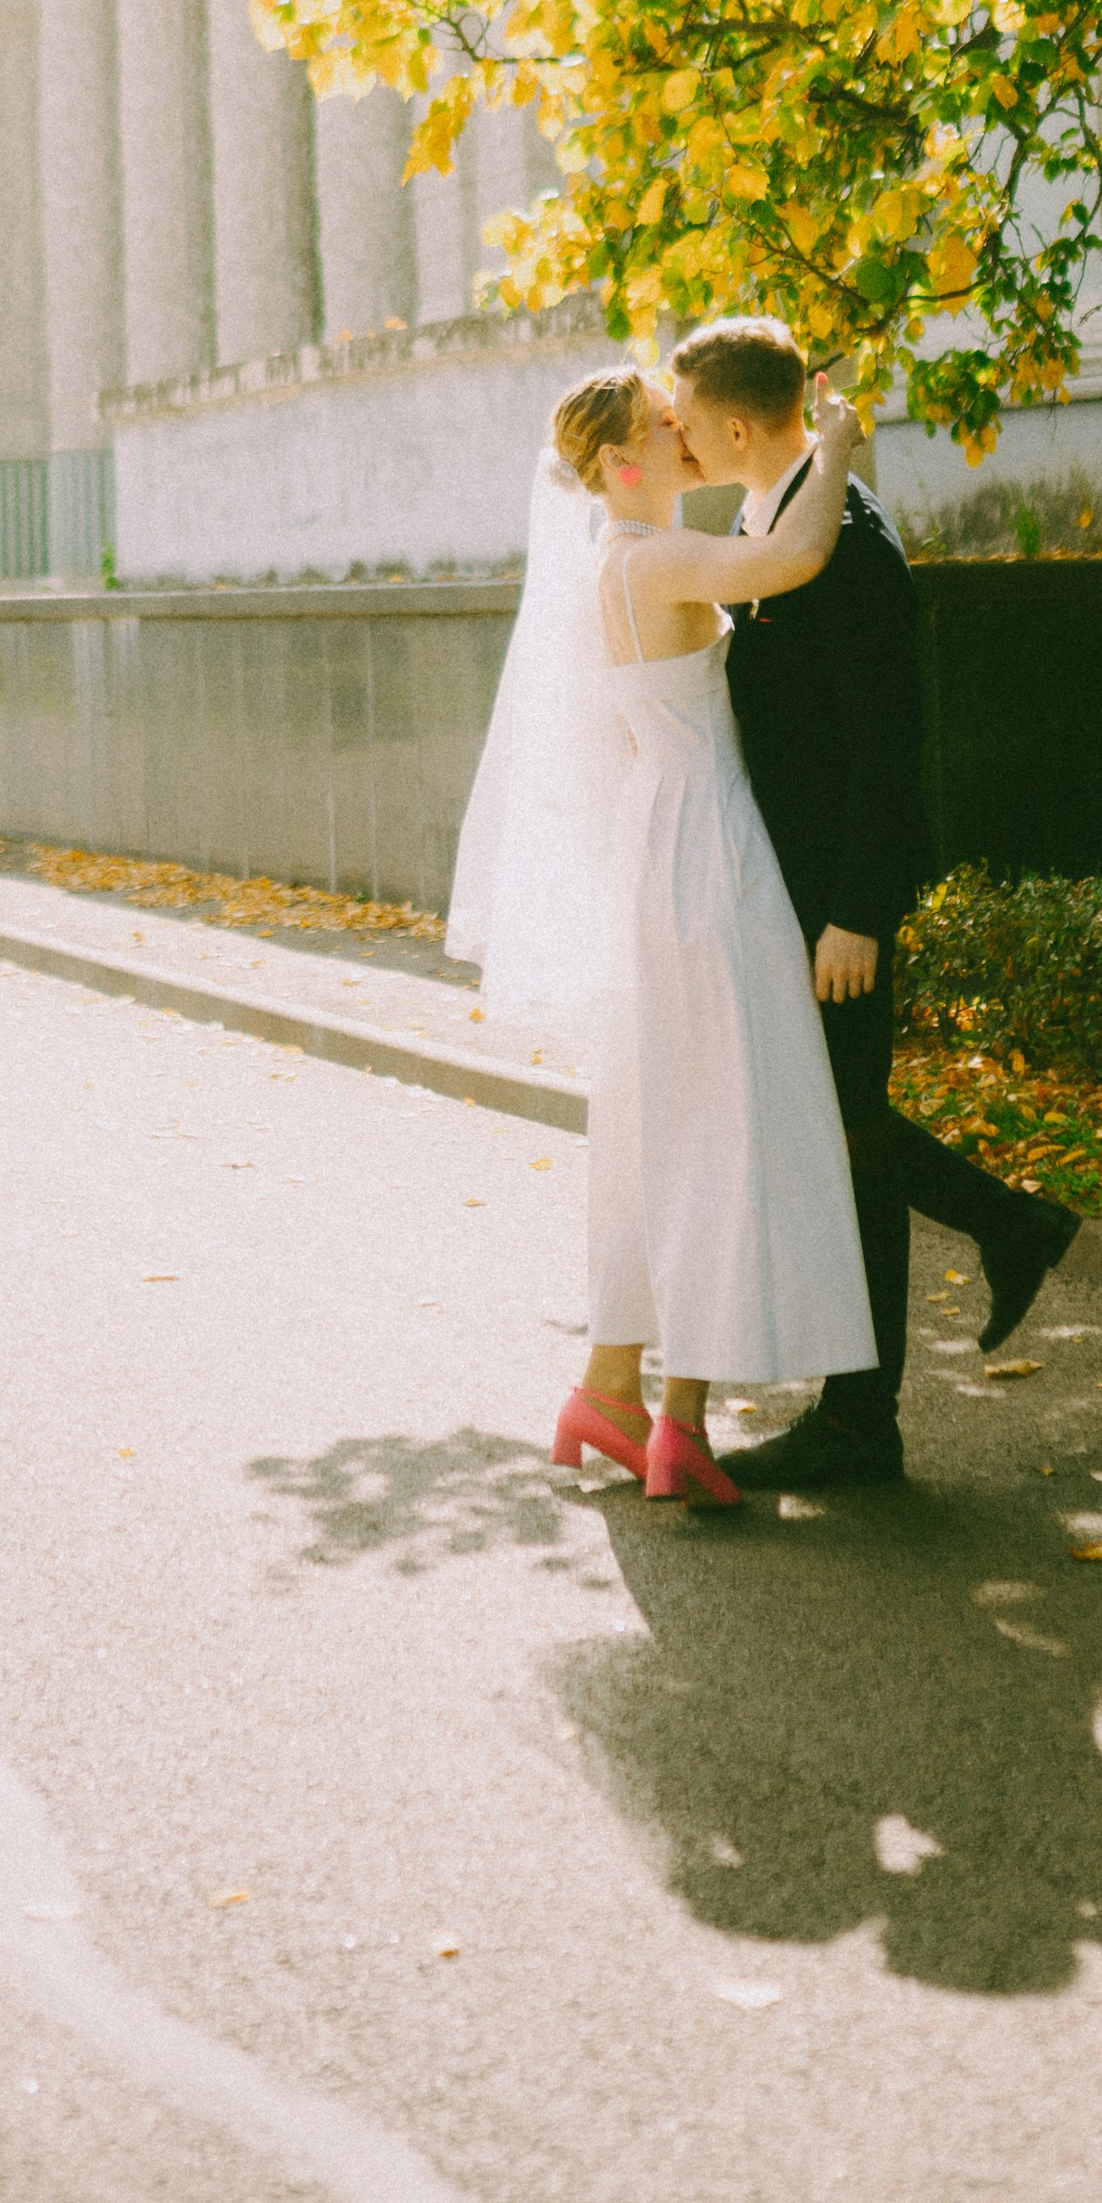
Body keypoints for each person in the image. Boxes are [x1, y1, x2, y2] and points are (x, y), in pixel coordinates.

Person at [448, 365, 878, 1511]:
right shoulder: (656, 557)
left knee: (670, 1122)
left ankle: (620, 1390)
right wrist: (835, 444)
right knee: (720, 1125)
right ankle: (665, 1413)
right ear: (621, 464)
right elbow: (793, 560)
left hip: (660, 841)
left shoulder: (610, 561)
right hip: (706, 853)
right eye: (660, 424)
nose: (682, 431)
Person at [667, 314, 1079, 1493]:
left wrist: (860, 911)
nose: (679, 437)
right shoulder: (777, 521)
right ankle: (994, 1250)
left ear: (737, 423)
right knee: (838, 1133)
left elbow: (890, 752)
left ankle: (867, 1415)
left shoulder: (847, 545)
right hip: (775, 892)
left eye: (688, 420)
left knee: (846, 1132)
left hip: (828, 905)